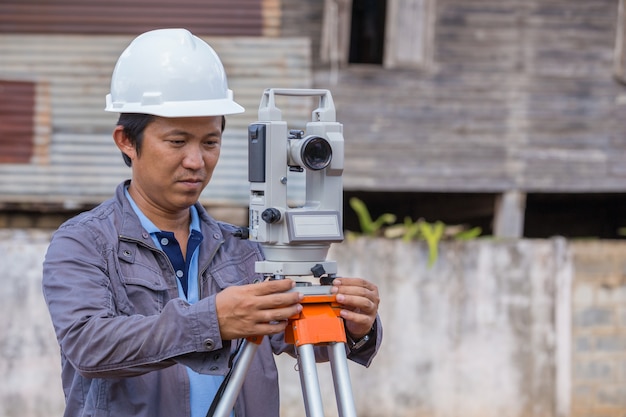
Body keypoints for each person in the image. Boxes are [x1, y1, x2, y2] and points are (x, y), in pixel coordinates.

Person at [42, 28, 382, 417]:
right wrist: (212, 322)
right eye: (176, 142)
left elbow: (298, 338)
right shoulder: (84, 242)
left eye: (209, 142)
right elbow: (90, 346)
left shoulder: (245, 249)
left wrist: (357, 327)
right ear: (126, 140)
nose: (196, 161)